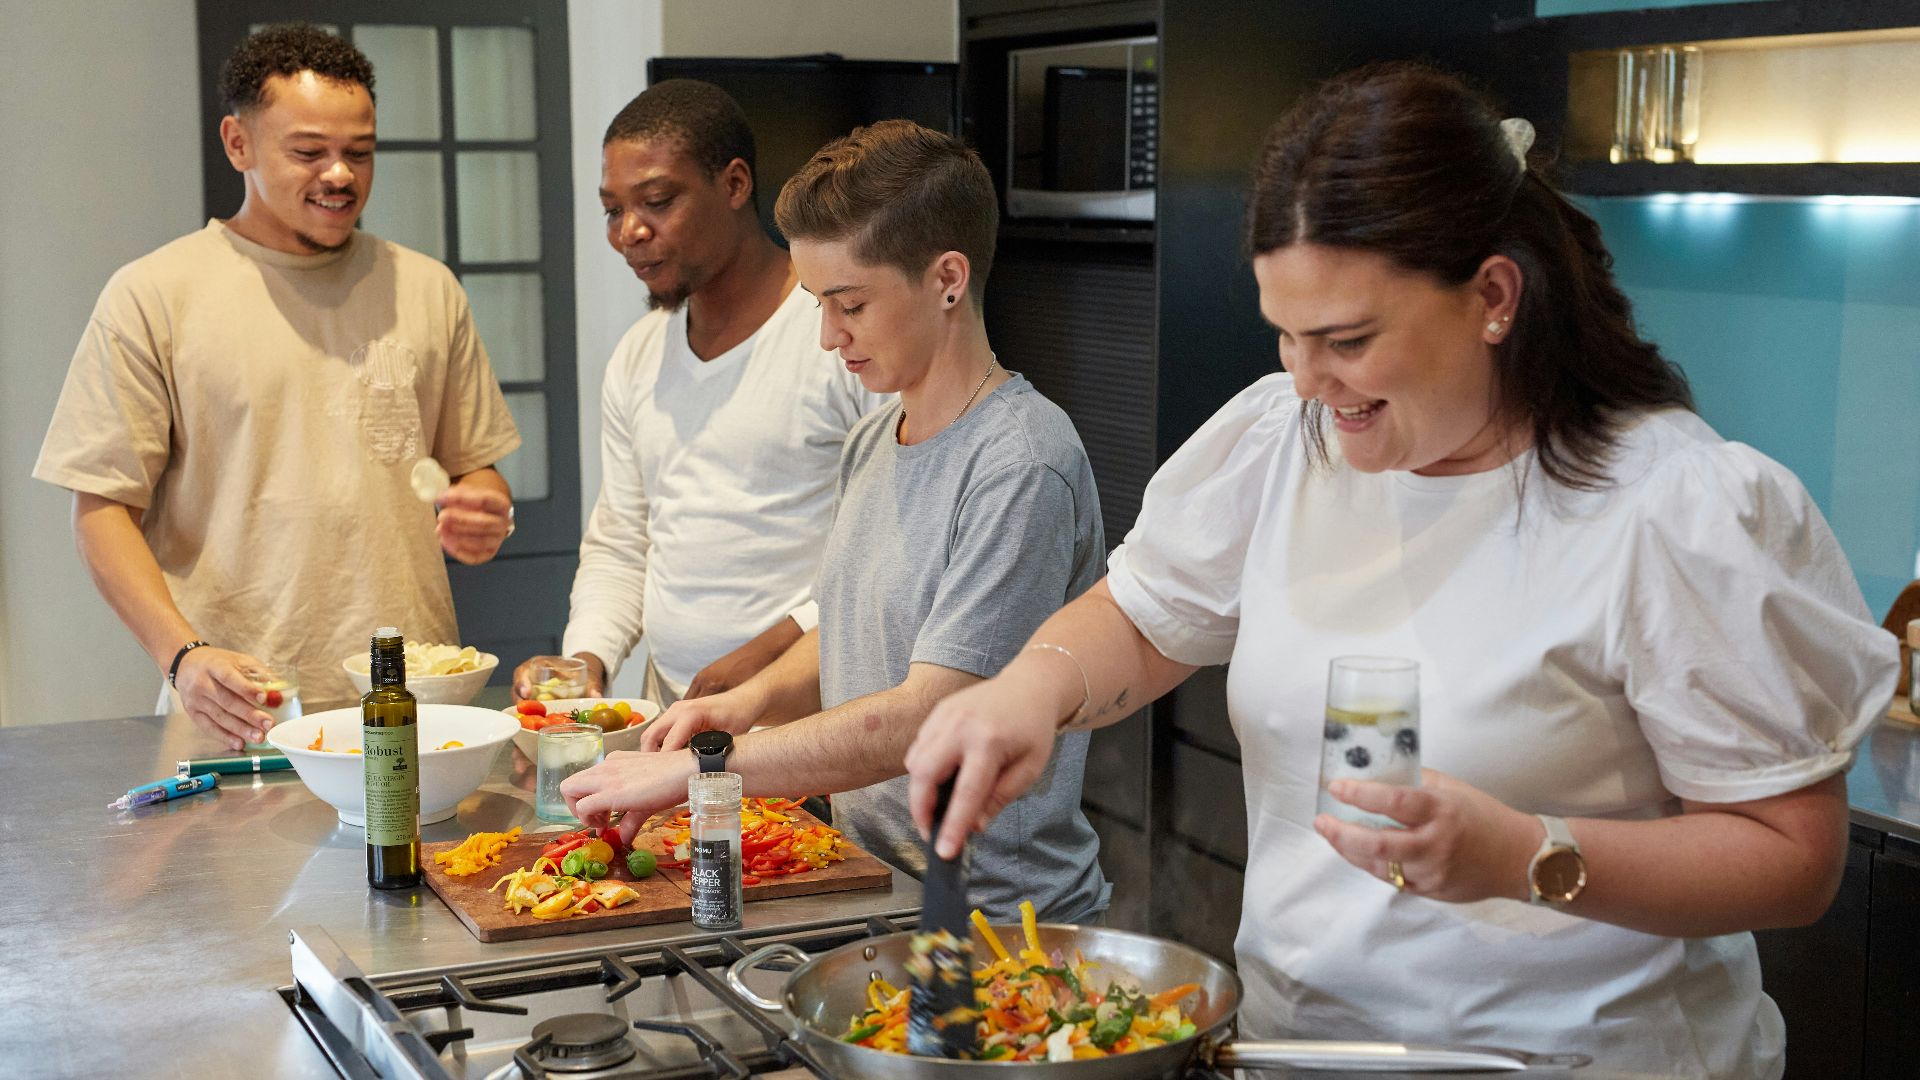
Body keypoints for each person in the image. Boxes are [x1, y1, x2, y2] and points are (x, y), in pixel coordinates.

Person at [903, 63, 1899, 1077]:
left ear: (1493, 297)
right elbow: (1148, 615)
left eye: (1346, 339)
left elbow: (1792, 857)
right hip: (1299, 1047)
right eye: (1285, 335)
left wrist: (1521, 854)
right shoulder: (1284, 442)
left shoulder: (1673, 509)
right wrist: (1029, 690)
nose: (1304, 377)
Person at [564, 120, 1111, 923]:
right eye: (820, 304)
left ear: (948, 279)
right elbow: (855, 630)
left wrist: (711, 768)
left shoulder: (1020, 463)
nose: (828, 336)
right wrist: (751, 699)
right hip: (876, 882)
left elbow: (930, 710)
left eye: (850, 304)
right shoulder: (873, 439)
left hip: (1002, 921)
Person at [34, 24, 519, 746]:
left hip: (409, 702)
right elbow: (101, 512)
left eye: (360, 152)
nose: (340, 175)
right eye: (308, 152)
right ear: (239, 144)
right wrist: (182, 657)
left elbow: (474, 465)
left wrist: (488, 509)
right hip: (237, 706)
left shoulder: (426, 288)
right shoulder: (154, 294)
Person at [511, 80, 886, 708]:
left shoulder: (839, 336)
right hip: (672, 713)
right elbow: (623, 541)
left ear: (735, 185)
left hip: (809, 714)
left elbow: (886, 554)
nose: (628, 232)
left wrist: (770, 649)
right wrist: (586, 660)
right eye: (612, 210)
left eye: (656, 201)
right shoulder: (639, 355)